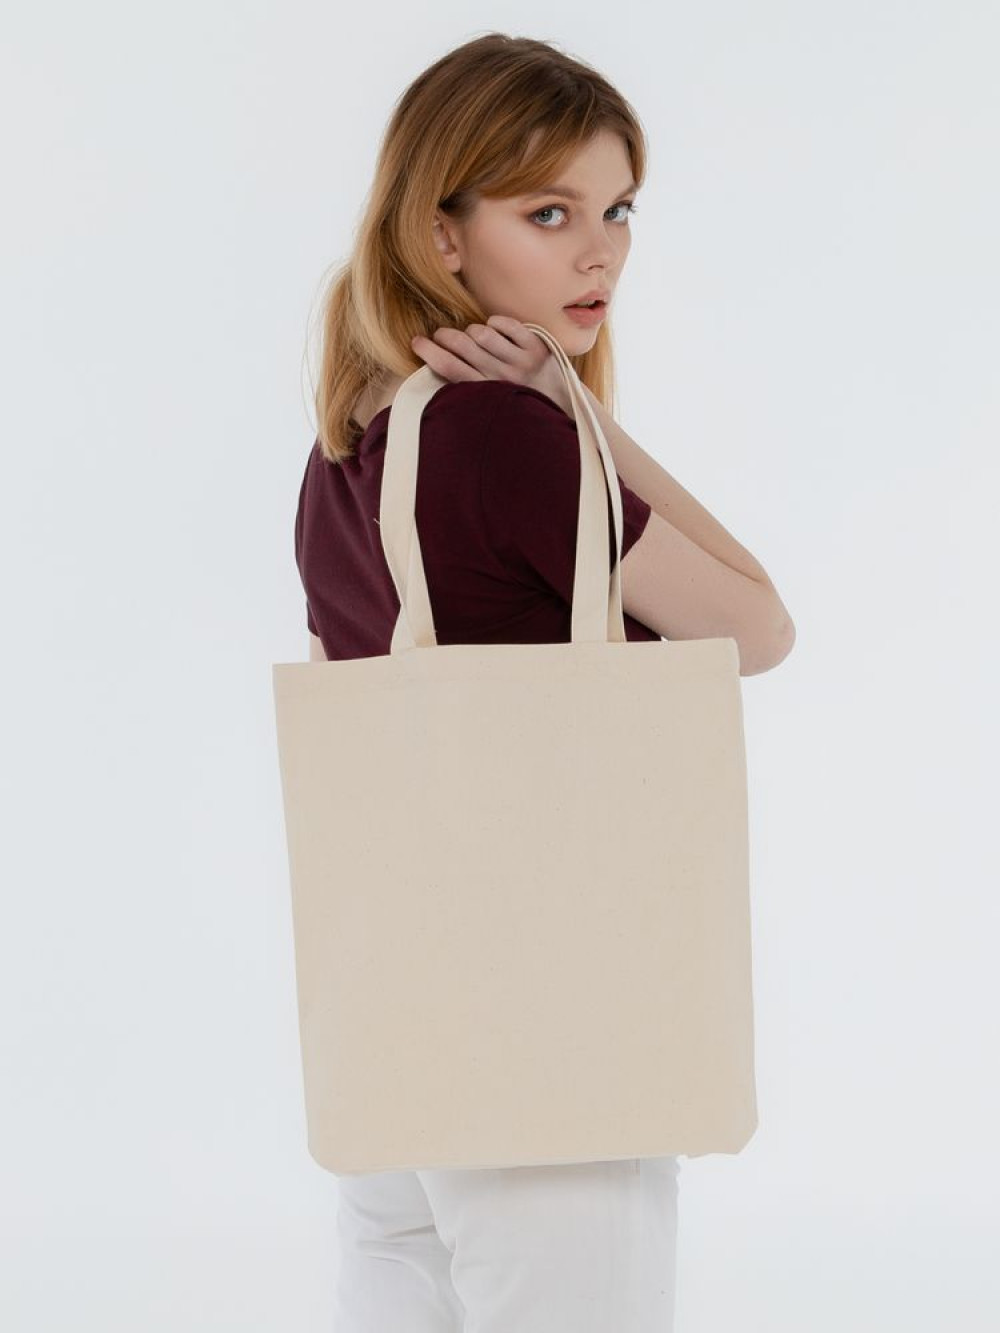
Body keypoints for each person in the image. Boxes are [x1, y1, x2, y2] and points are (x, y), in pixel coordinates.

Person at [293, 32, 795, 1333]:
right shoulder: (507, 440)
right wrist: (583, 419)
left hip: (396, 1019)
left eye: (618, 210)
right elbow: (757, 624)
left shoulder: (350, 442)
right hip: (550, 1025)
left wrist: (571, 405)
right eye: (549, 212)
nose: (600, 254)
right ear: (441, 231)